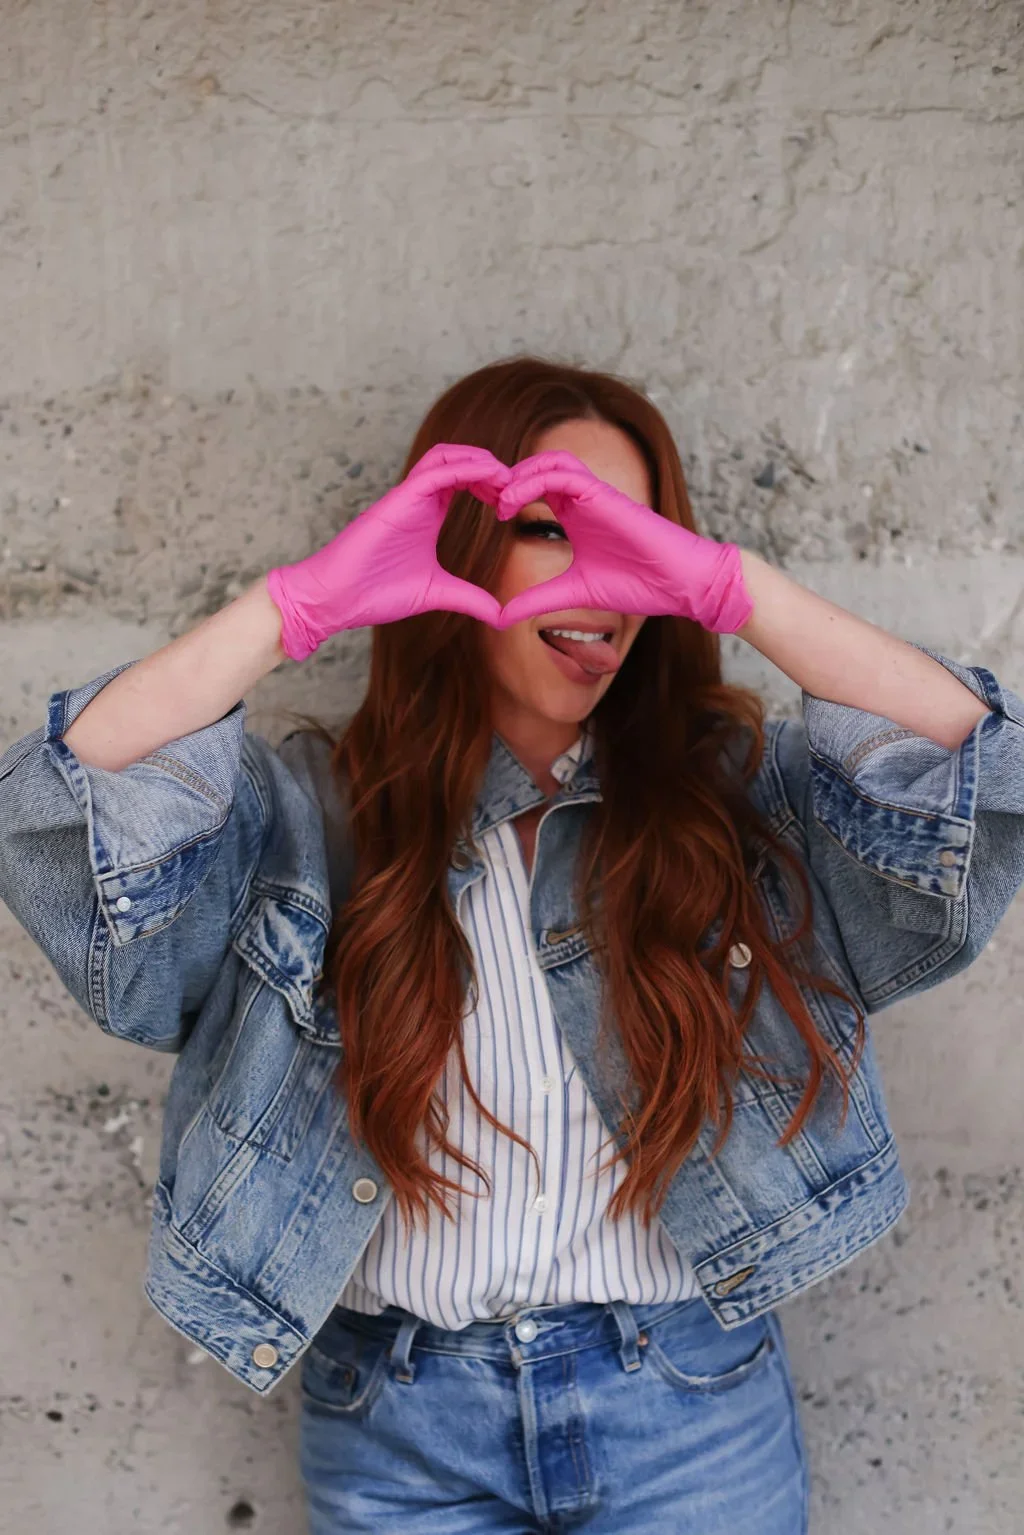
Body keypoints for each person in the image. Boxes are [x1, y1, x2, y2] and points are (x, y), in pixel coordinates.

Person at [1, 355, 1022, 1535]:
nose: (603, 581)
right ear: (453, 546)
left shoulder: (742, 805)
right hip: (397, 1426)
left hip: (685, 1408)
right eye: (550, 529)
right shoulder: (305, 822)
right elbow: (65, 810)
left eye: (635, 537)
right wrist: (301, 605)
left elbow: (978, 773)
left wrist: (728, 587)